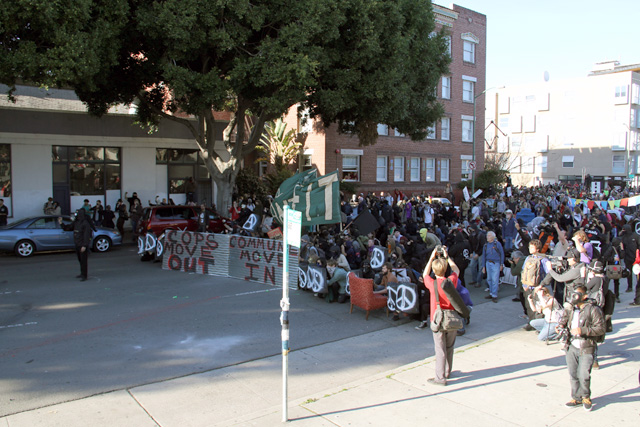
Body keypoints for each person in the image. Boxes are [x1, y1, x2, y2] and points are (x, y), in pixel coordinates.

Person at [423, 247, 470, 386]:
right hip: (451, 318)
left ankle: (440, 377)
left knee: (440, 349)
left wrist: (432, 257)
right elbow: (456, 270)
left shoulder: (432, 284)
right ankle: (448, 371)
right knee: (450, 346)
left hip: (437, 319)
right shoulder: (451, 281)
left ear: (434, 270)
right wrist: (447, 257)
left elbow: (425, 274)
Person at [556, 285, 605, 411]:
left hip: (586, 346)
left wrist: (582, 330)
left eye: (577, 294)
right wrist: (560, 326)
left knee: (583, 375)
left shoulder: (593, 310)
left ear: (584, 296)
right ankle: (576, 397)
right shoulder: (571, 308)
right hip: (572, 345)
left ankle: (585, 396)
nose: (574, 297)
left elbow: (600, 328)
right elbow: (564, 319)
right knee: (573, 374)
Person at [59, 210, 94, 281]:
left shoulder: (85, 224)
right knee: (80, 260)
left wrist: (84, 245)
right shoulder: (76, 222)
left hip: (82, 244)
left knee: (84, 260)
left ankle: (84, 275)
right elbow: (69, 227)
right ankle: (82, 273)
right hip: (77, 243)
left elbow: (86, 235)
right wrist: (61, 224)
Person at [482, 231, 504, 303]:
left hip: (496, 263)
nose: (487, 237)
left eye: (488, 236)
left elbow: (502, 254)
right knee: (489, 279)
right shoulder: (485, 245)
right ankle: (491, 293)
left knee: (495, 280)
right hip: (488, 263)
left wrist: (501, 264)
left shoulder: (497, 244)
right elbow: (483, 256)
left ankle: (494, 295)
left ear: (492, 237)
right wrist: (483, 266)